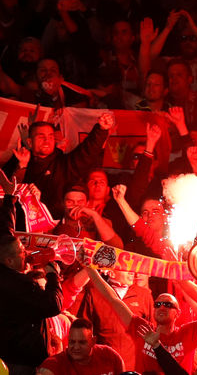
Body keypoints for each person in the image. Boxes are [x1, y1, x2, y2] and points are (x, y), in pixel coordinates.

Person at [84, 266, 197, 373]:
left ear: (177, 313)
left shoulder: (188, 333)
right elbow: (113, 299)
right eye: (158, 304)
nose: (162, 307)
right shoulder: (143, 329)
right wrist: (89, 268)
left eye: (168, 304)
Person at [3, 113, 114, 219]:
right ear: (30, 142)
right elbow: (5, 193)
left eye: (51, 137)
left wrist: (101, 130)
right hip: (14, 224)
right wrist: (21, 166)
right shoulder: (17, 161)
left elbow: (87, 152)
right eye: (41, 137)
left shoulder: (64, 164)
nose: (47, 140)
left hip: (51, 227)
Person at [0, 234, 62, 373]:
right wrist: (53, 276)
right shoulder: (18, 285)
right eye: (21, 252)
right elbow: (53, 304)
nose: (26, 254)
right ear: (9, 261)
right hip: (23, 363)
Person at [36, 318, 123, 375]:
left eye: (82, 342)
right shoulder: (54, 364)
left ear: (93, 341)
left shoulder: (110, 356)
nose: (76, 347)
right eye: (72, 342)